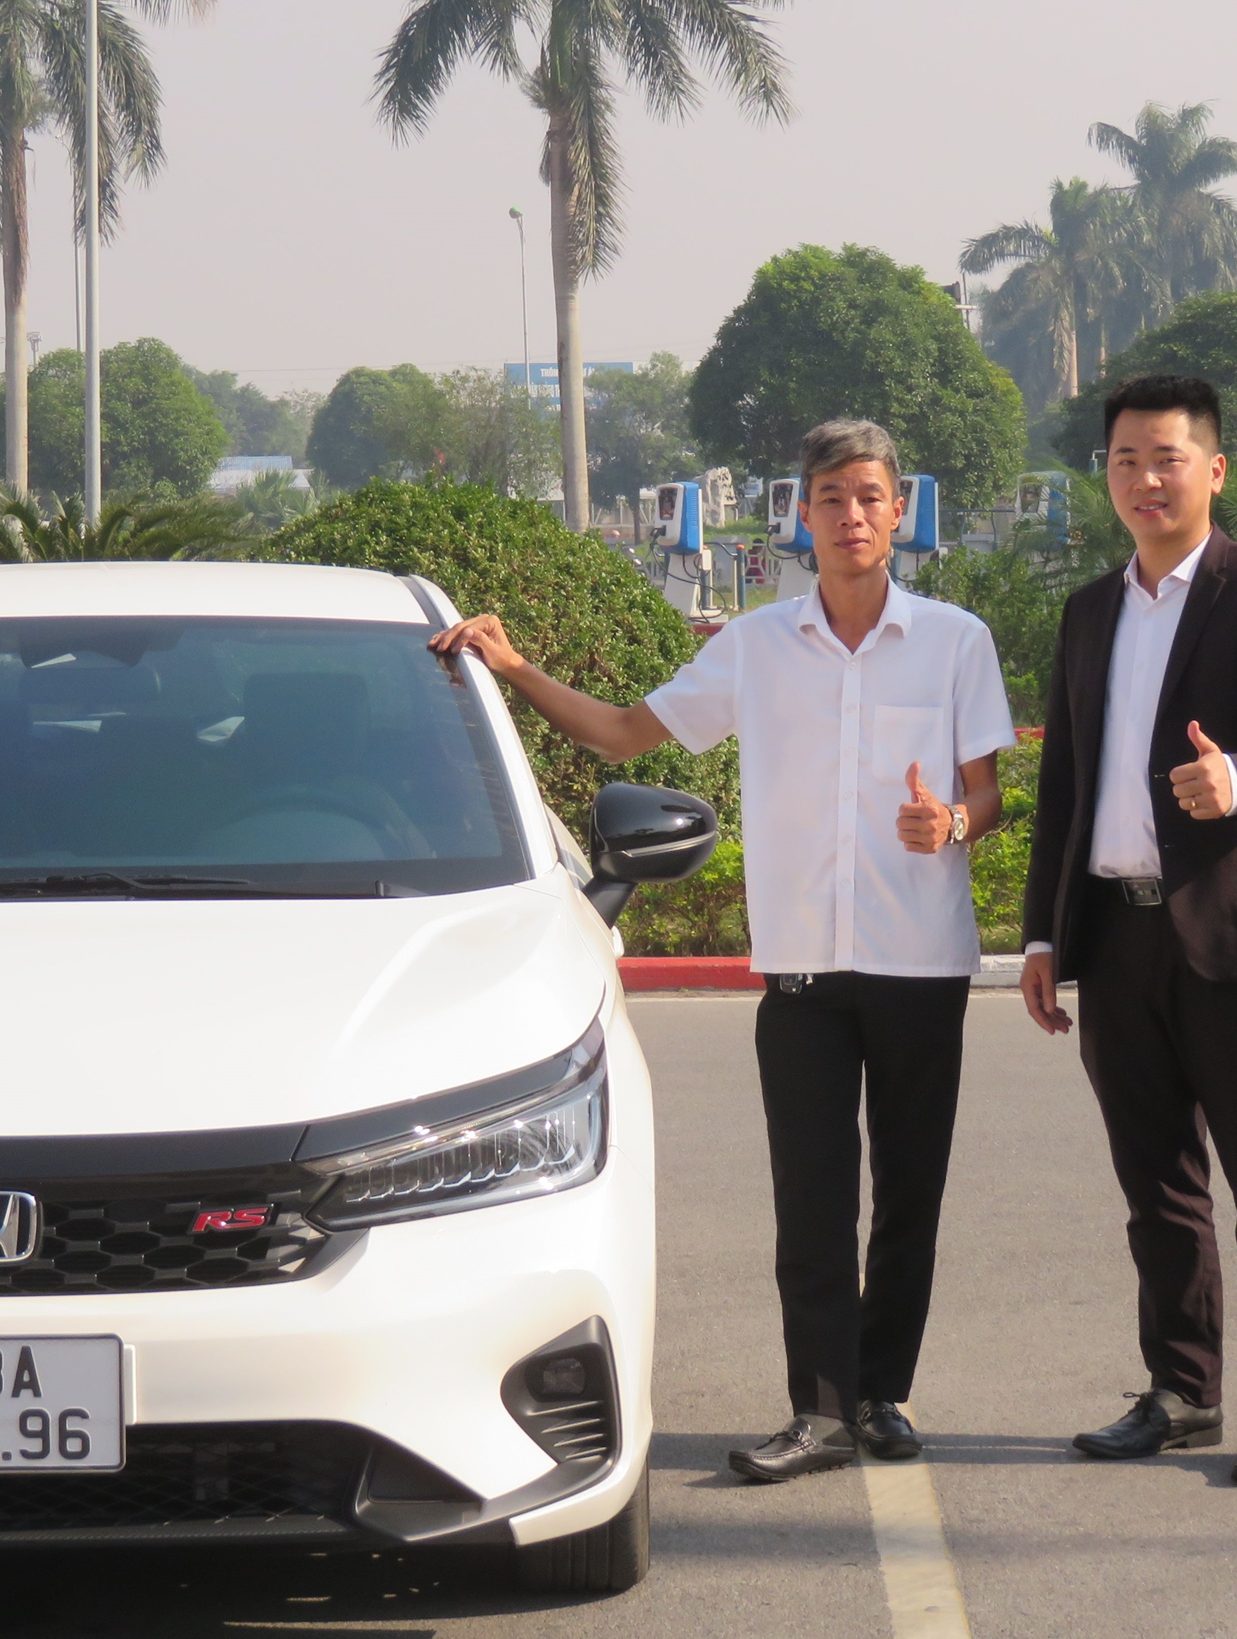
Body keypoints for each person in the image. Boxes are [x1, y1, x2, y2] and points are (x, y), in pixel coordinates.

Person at [431, 420, 1016, 1482]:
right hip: (801, 972)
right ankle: (819, 1411)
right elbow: (623, 732)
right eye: (830, 497)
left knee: (909, 1195)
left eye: (869, 497)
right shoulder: (754, 647)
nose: (850, 515)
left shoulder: (954, 641)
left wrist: (953, 825)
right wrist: (511, 667)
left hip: (920, 965)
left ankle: (880, 1395)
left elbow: (989, 793)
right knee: (810, 1200)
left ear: (898, 512)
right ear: (801, 514)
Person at [1019, 373, 1237, 1486]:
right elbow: (1064, 789)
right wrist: (1042, 937)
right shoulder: (1089, 612)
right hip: (1116, 936)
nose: (1145, 480)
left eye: (1166, 458)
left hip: (1235, 935)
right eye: (1125, 460)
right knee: (1155, 1186)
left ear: (1213, 469)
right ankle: (1182, 1389)